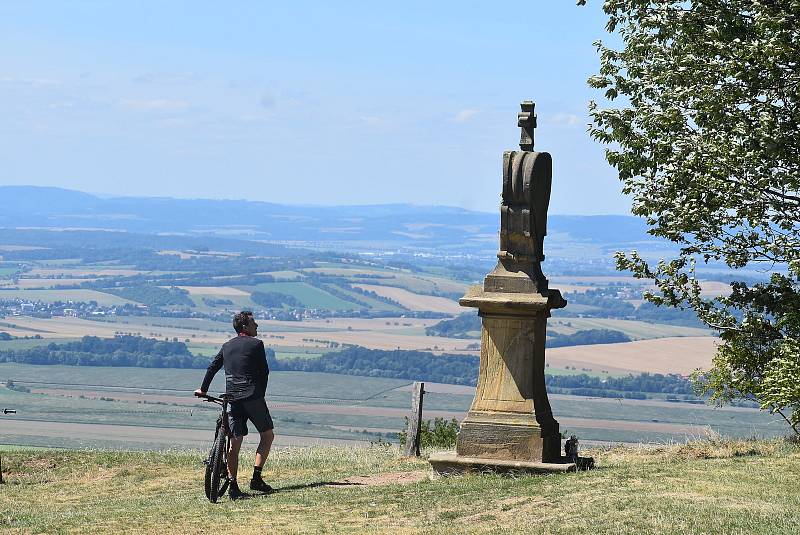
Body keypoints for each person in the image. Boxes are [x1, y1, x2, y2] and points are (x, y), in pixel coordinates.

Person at [195, 311, 274, 499]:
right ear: (245, 326)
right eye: (254, 323)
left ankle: (233, 485)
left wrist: (203, 389)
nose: (257, 326)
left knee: (234, 443)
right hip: (252, 396)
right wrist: (259, 394)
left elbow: (212, 367)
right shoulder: (257, 344)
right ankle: (256, 478)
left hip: (232, 398)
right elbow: (264, 372)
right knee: (267, 435)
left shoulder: (227, 345)